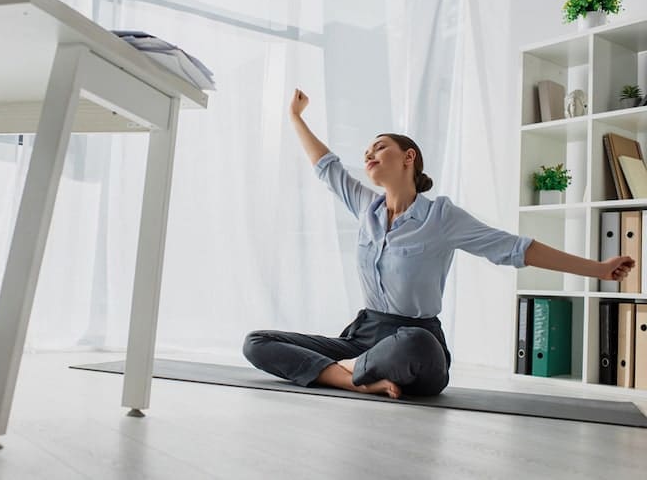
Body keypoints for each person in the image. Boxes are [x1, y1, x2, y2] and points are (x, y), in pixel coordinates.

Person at [242, 88, 635, 399]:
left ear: (408, 157)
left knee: (415, 344)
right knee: (257, 343)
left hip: (415, 341)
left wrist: (598, 269)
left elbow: (516, 248)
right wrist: (295, 117)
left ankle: (347, 371)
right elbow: (325, 166)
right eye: (366, 152)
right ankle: (354, 379)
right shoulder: (365, 207)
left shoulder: (440, 217)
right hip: (362, 337)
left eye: (379, 147)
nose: (368, 154)